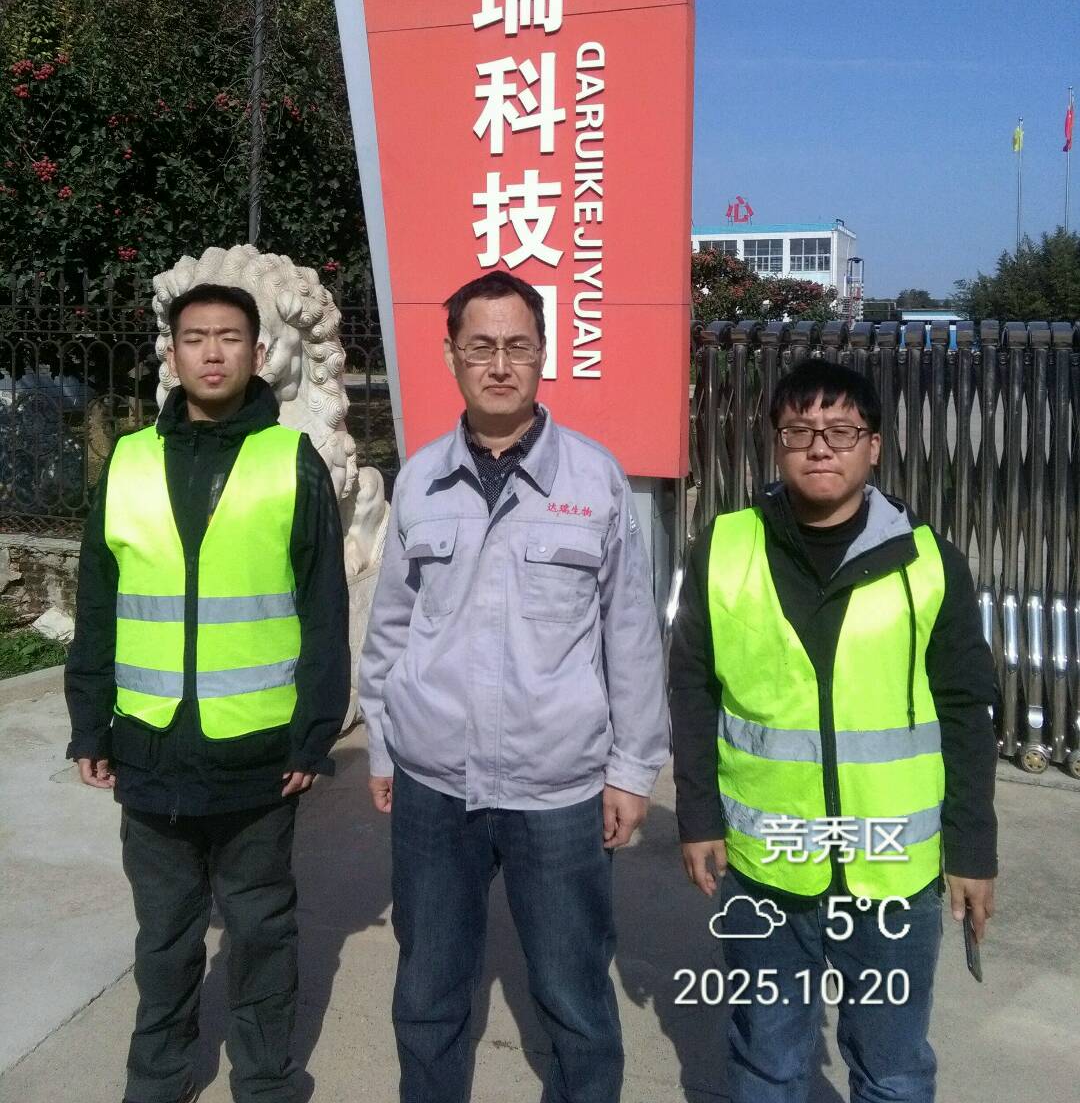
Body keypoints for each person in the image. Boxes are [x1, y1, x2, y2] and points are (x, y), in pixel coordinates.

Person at [361, 271, 670, 1103]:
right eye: (481, 348)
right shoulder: (420, 479)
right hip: (434, 784)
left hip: (558, 787)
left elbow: (631, 634)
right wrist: (384, 745)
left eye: (518, 347)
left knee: (575, 997)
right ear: (451, 356)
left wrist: (631, 770)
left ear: (543, 354)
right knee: (427, 991)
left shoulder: (594, 480)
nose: (500, 365)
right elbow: (391, 627)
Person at [669, 358, 997, 1103]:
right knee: (767, 1060)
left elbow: (966, 714)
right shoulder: (725, 549)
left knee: (892, 1069)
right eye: (800, 430)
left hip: (893, 871)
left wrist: (973, 851)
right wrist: (699, 817)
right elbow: (691, 690)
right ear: (776, 443)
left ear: (873, 445)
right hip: (768, 865)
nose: (820, 446)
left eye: (841, 430)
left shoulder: (928, 562)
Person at [65, 282, 350, 1103]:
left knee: (260, 932)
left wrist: (313, 733)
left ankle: (264, 1081)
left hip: (257, 757)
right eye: (195, 338)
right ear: (172, 352)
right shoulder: (128, 462)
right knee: (164, 936)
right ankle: (158, 1077)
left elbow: (323, 609)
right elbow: (98, 604)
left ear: (258, 354)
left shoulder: (290, 461)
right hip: (149, 746)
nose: (213, 353)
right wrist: (90, 723)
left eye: (230, 338)